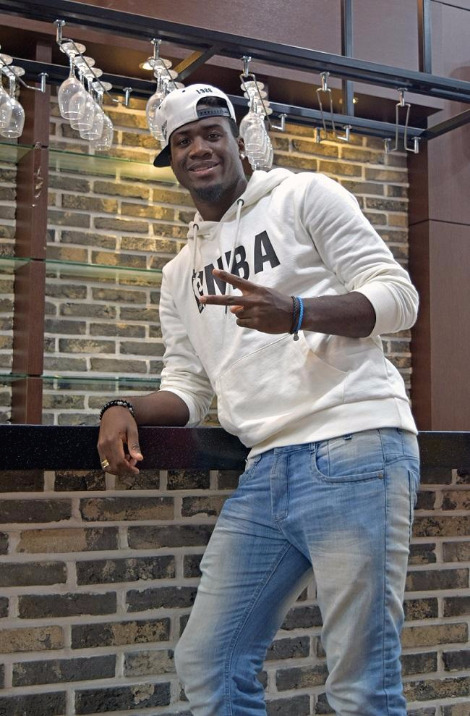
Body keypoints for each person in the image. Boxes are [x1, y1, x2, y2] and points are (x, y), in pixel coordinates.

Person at [97, 83, 420, 716]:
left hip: (355, 446)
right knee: (208, 662)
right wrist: (123, 407)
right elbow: (188, 389)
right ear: (170, 161)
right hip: (266, 467)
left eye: (211, 133)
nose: (199, 148)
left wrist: (298, 311)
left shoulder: (305, 195)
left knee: (360, 688)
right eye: (183, 141)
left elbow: (398, 298)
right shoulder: (178, 273)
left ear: (239, 143)